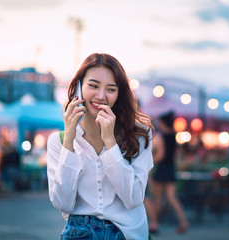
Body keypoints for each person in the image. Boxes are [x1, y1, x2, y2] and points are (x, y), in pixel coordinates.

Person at [47, 53, 154, 240]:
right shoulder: (59, 141)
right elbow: (63, 203)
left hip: (126, 234)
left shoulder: (139, 134)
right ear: (79, 87)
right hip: (79, 233)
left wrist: (110, 142)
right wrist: (70, 139)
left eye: (111, 89)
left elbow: (133, 199)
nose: (101, 96)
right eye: (93, 86)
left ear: (119, 94)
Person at [149, 111, 189, 234]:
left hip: (162, 169)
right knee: (172, 198)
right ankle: (183, 222)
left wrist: (150, 161)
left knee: (157, 198)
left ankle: (155, 224)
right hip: (171, 168)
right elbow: (176, 155)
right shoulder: (174, 136)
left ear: (163, 123)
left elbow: (160, 155)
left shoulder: (161, 137)